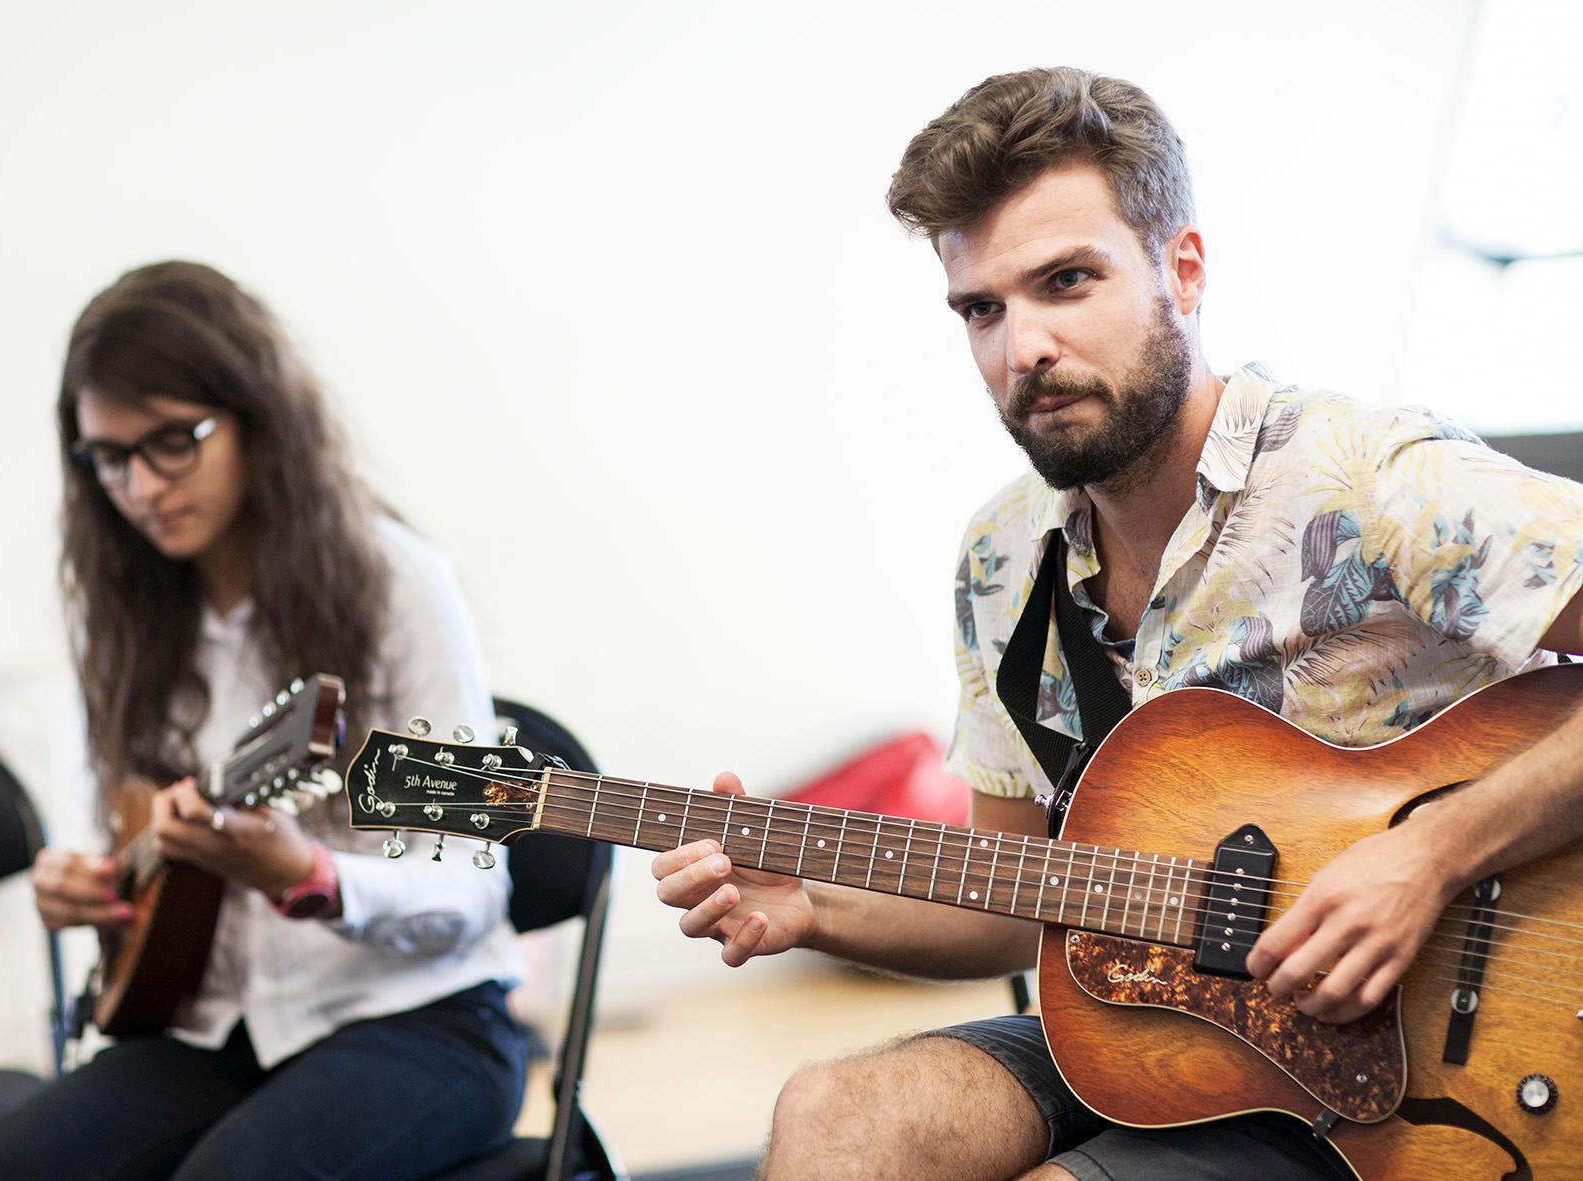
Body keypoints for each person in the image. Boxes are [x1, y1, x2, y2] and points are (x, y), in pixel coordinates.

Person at [651, 67, 1583, 1180]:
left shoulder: (1372, 478)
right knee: (835, 1113)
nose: (1022, 347)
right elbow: (1017, 896)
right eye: (982, 309)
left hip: (1431, 1075)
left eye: (1066, 281)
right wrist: (816, 905)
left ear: (1181, 270)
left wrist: (1427, 855)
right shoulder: (1002, 556)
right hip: (1146, 1031)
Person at [0, 261, 528, 1180]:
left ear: (259, 417)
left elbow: (473, 887)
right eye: (108, 457)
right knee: (4, 1171)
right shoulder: (122, 611)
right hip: (212, 1030)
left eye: (172, 441)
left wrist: (314, 878)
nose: (142, 486)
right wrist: (85, 883)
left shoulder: (399, 586)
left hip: (422, 1020)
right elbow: (114, 820)